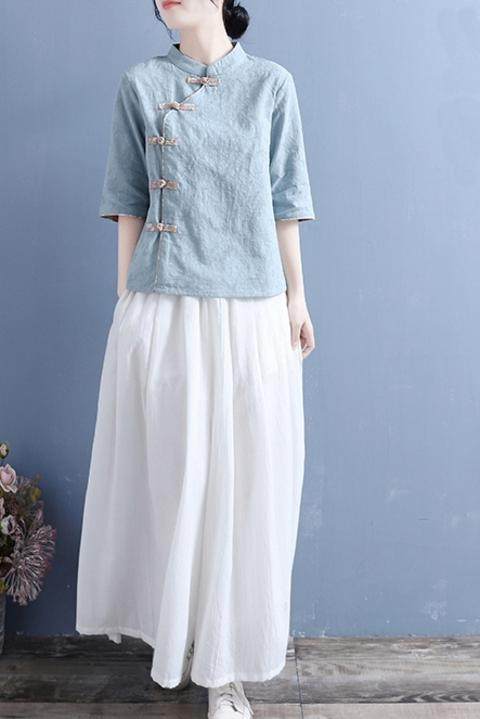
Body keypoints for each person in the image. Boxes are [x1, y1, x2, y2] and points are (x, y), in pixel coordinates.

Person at [75, 0, 317, 716]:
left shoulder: (271, 84)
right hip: (165, 304)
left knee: (245, 488)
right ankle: (179, 639)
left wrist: (298, 298)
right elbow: (128, 200)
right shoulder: (141, 84)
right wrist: (126, 300)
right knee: (175, 480)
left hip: (251, 309)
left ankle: (226, 669)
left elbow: (285, 198)